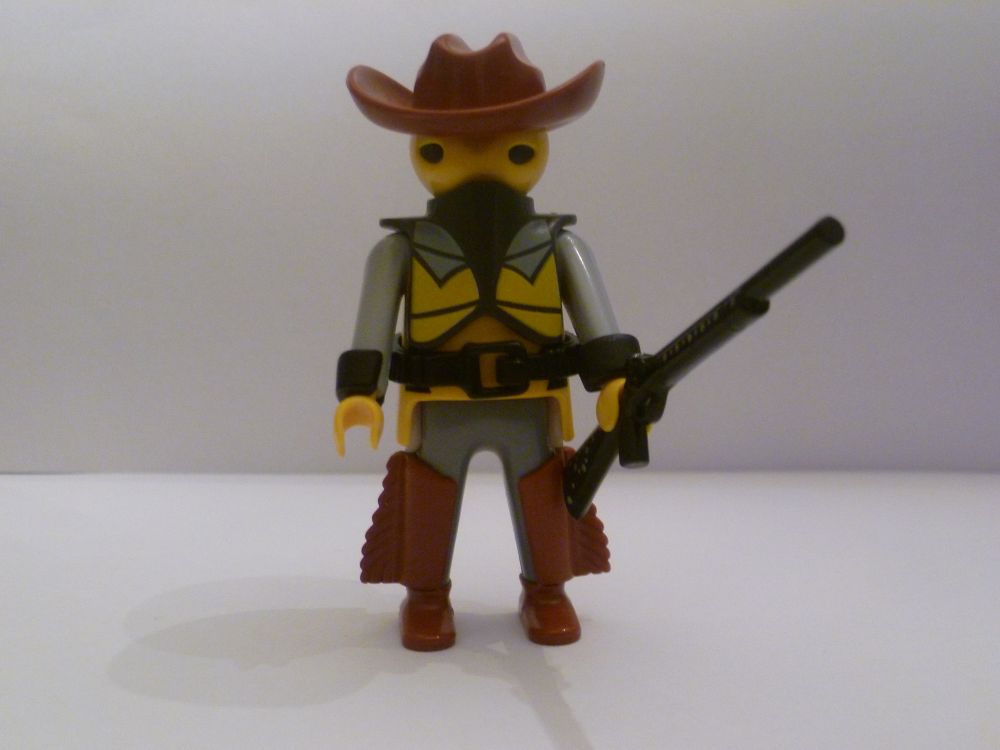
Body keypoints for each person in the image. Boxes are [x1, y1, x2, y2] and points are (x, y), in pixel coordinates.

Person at [335, 33, 639, 651]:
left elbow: (598, 324)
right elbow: (372, 325)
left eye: (511, 145)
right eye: (447, 145)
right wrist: (361, 392)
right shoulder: (399, 251)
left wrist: (617, 381)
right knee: (428, 498)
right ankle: (426, 596)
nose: (480, 162)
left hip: (532, 404)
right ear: (424, 151)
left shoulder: (561, 246)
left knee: (544, 496)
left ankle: (547, 590)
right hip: (438, 406)